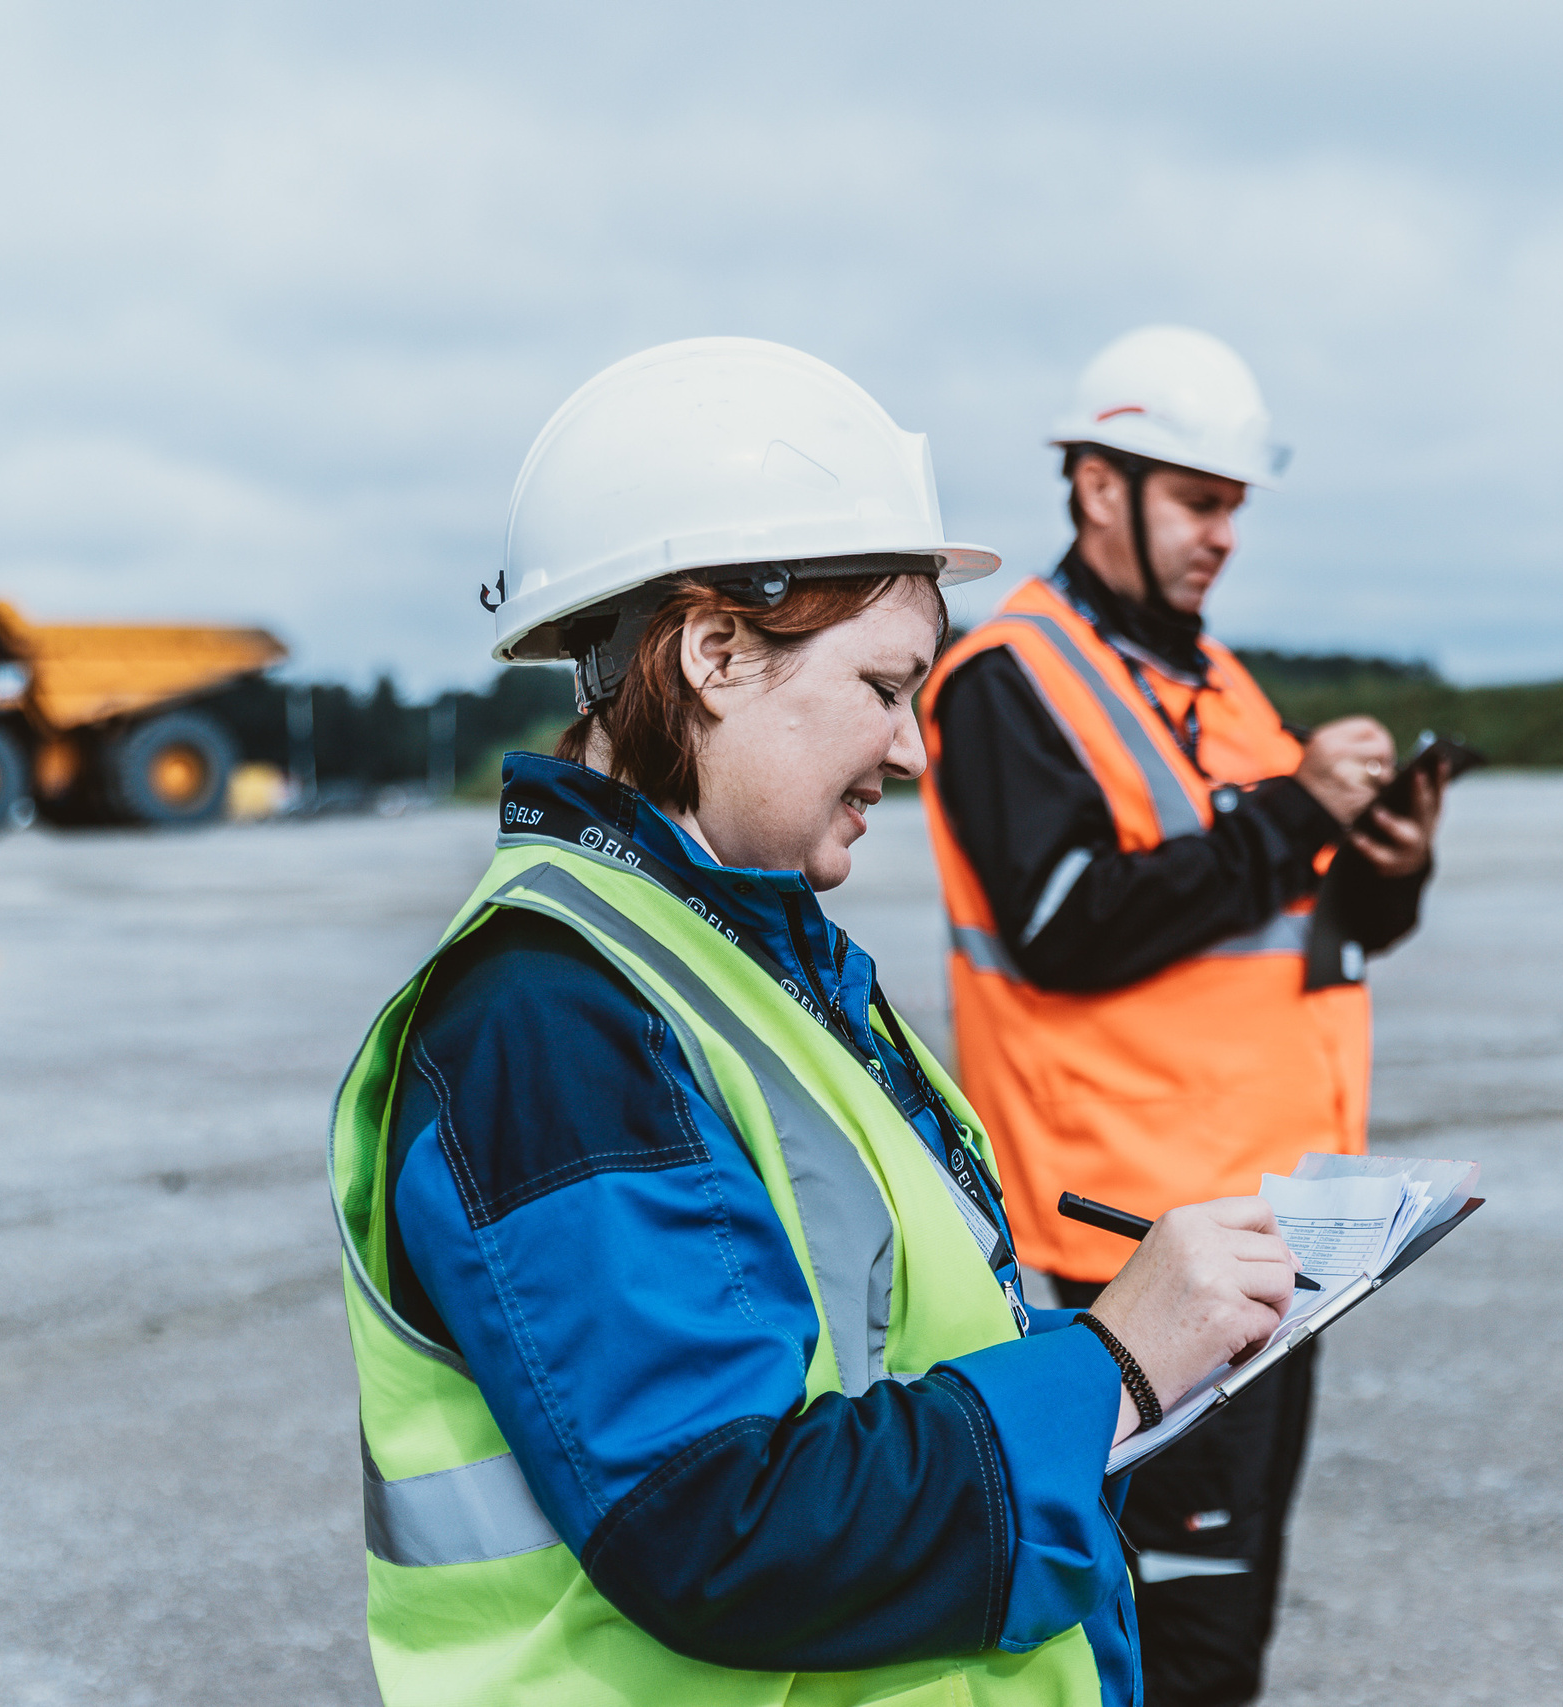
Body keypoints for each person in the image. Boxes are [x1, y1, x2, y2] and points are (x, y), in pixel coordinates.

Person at [328, 337, 1309, 1706]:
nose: (915, 750)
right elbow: (725, 1527)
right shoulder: (550, 1024)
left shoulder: (744, 959)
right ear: (717, 652)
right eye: (884, 688)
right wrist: (1114, 1364)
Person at [920, 326, 1446, 1707]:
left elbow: (1301, 923)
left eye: (1233, 508)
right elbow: (1072, 930)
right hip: (1136, 1249)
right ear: (1100, 487)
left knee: (1225, 1619)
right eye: (1200, 501)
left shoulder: (1215, 682)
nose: (1224, 536)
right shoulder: (1005, 682)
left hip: (1275, 1231)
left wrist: (1388, 866)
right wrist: (1297, 810)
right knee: (1172, 1641)